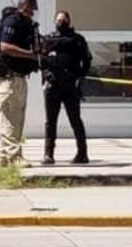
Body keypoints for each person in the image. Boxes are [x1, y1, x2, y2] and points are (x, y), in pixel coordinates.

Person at [0, 0, 41, 168]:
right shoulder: (11, 22)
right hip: (6, 77)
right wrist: (31, 55)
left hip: (19, 76)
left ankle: (5, 156)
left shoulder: (28, 26)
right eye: (30, 10)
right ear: (23, 8)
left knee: (17, 118)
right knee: (9, 118)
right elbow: (5, 47)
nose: (32, 14)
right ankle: (14, 156)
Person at [40, 11, 93, 166]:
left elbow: (87, 61)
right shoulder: (48, 39)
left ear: (69, 21)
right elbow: (41, 60)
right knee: (50, 122)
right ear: (54, 21)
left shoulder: (77, 40)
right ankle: (48, 154)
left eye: (63, 20)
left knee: (75, 120)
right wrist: (46, 76)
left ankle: (82, 153)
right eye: (58, 20)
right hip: (52, 86)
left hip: (70, 86)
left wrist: (78, 77)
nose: (61, 22)